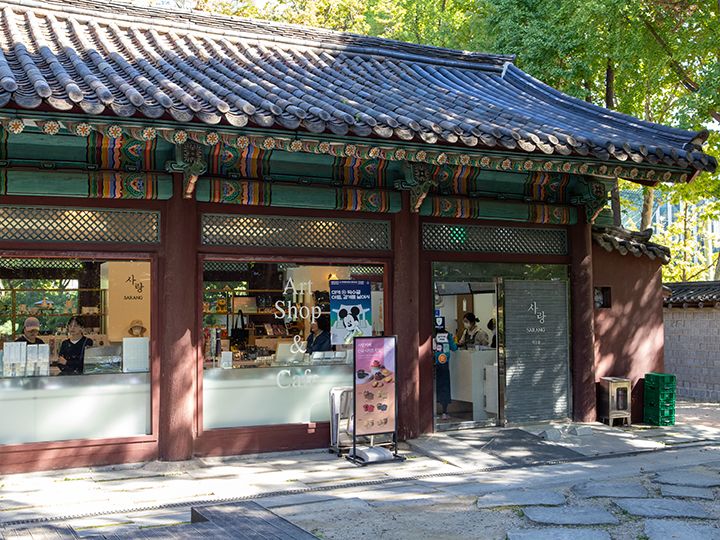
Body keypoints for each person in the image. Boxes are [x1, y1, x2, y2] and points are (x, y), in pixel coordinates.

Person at [433, 318, 457, 421]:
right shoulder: (448, 335)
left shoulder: (431, 335)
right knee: (444, 386)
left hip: (432, 363)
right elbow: (454, 348)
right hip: (443, 363)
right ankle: (444, 412)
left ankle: (431, 411)